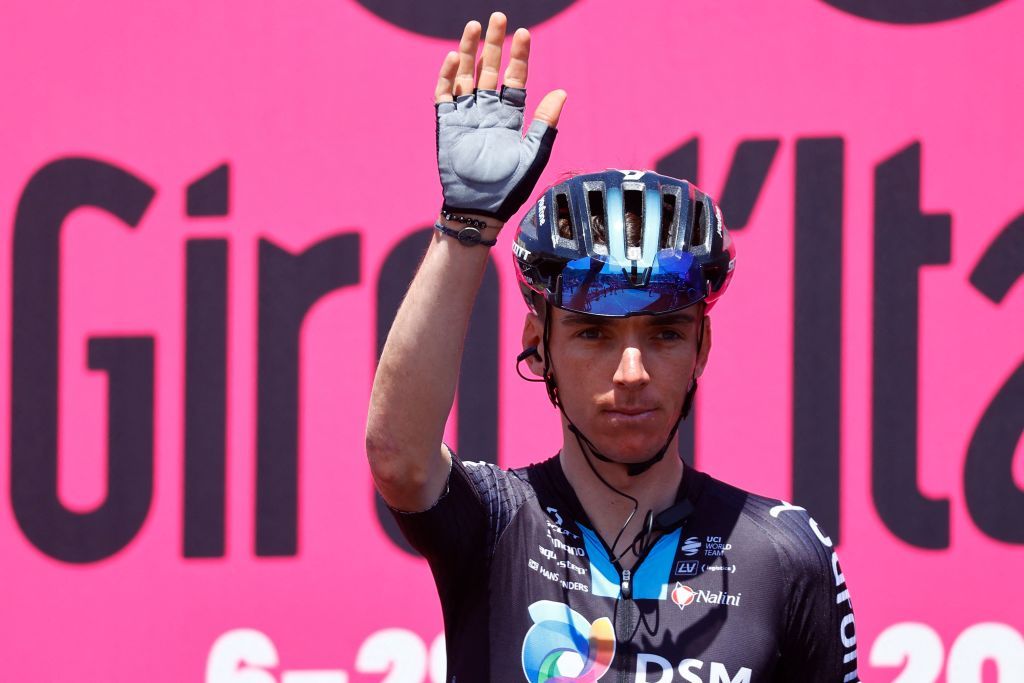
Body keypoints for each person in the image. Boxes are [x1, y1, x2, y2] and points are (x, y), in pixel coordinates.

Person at [366, 12, 859, 682]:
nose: (632, 372)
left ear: (702, 346)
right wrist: (469, 225)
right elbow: (397, 456)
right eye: (594, 333)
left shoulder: (785, 554)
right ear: (538, 344)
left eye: (664, 333)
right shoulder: (496, 526)